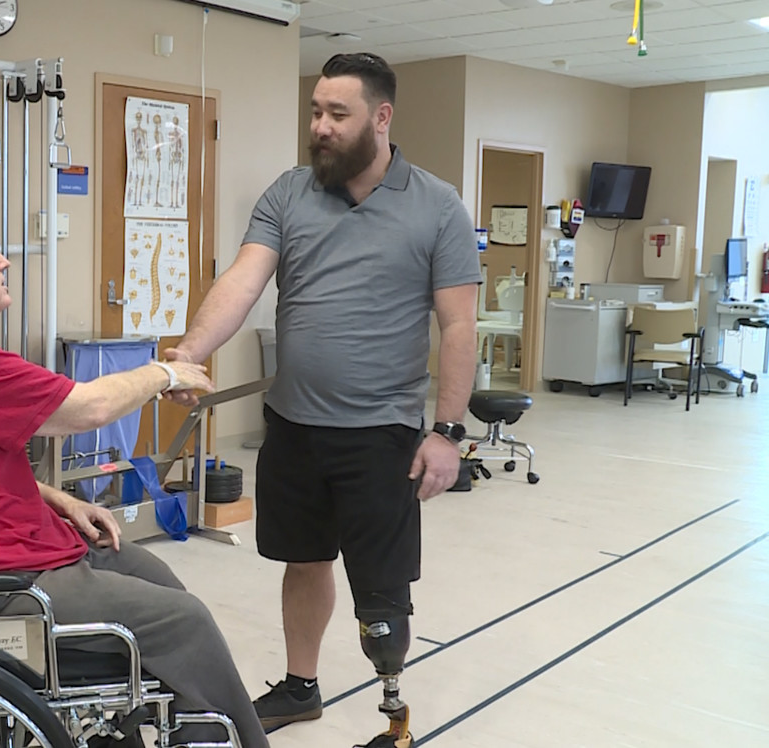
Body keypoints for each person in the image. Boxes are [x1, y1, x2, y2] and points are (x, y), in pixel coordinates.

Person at [0, 207, 271, 748]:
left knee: (154, 575)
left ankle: (165, 732)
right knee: (183, 622)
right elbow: (85, 409)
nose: (5, 262)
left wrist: (54, 497)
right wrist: (163, 373)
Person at [164, 53, 480, 748]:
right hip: (295, 426)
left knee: (381, 589)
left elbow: (459, 326)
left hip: (382, 434)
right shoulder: (289, 193)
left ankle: (393, 710)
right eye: (316, 112)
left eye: (338, 114)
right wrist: (189, 351)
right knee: (303, 560)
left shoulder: (437, 206)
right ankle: (300, 686)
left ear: (381, 117)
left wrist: (448, 432)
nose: (321, 127)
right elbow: (243, 281)